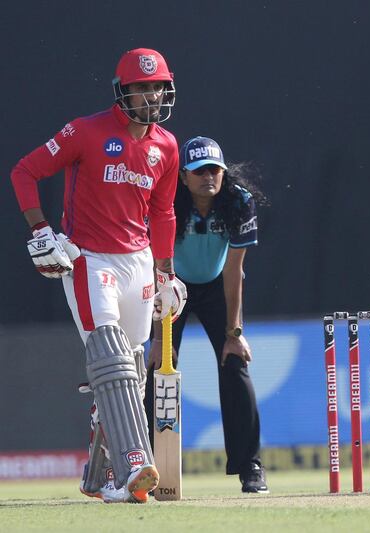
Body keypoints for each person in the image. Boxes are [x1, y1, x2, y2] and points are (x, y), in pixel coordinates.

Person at [10, 48, 187, 503]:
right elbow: (25, 171)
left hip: (140, 262)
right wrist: (41, 228)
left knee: (131, 374)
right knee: (110, 358)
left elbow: (164, 213)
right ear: (122, 91)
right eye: (140, 88)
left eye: (156, 88)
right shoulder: (85, 131)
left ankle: (99, 477)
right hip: (90, 259)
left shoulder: (166, 146)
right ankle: (133, 467)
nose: (150, 96)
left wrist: (166, 273)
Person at [144, 136, 269, 494]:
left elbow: (234, 271)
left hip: (217, 285)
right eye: (198, 171)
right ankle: (149, 467)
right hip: (172, 285)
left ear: (224, 173)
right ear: (183, 176)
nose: (207, 177)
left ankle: (250, 466)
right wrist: (156, 338)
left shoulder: (238, 202)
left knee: (235, 365)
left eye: (214, 170)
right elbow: (158, 267)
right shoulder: (166, 200)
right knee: (160, 365)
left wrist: (235, 332)